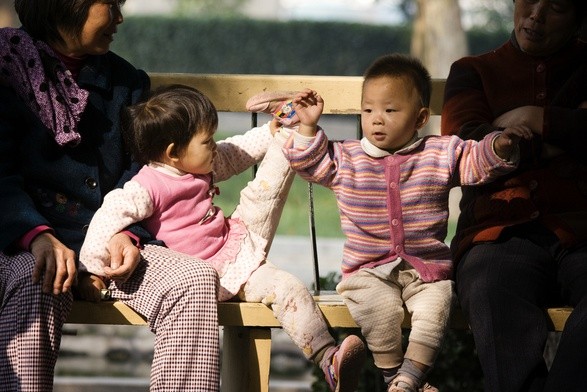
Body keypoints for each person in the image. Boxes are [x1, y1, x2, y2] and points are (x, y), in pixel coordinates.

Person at [78, 84, 367, 392]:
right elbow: (107, 217)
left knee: (288, 286)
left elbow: (242, 149)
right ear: (173, 152)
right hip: (200, 282)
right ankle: (293, 127)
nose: (214, 146)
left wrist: (278, 123)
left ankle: (328, 359)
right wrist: (93, 272)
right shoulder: (146, 187)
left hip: (238, 260)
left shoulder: (203, 163)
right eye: (207, 141)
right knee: (263, 195)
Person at [0, 1, 221, 390]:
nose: (119, 17)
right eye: (111, 4)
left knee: (194, 279)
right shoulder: (5, 72)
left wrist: (126, 229)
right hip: (28, 243)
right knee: (35, 283)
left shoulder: (128, 83)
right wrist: (35, 235)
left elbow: (142, 170)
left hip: (115, 245)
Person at [283, 53, 533, 392]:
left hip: (426, 269)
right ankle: (398, 380)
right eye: (368, 109)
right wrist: (308, 126)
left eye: (389, 110)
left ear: (420, 117)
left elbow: (475, 158)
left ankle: (408, 378)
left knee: (437, 305)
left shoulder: (439, 153)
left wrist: (500, 146)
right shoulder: (347, 158)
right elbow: (308, 162)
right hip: (367, 269)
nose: (376, 120)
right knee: (379, 311)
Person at [440, 1, 587, 391]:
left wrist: (533, 119)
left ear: (577, 18)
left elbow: (494, 144)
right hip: (498, 232)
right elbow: (465, 147)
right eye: (528, 0)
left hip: (581, 231)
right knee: (491, 291)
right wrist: (565, 137)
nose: (535, 15)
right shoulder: (472, 72)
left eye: (556, 6)